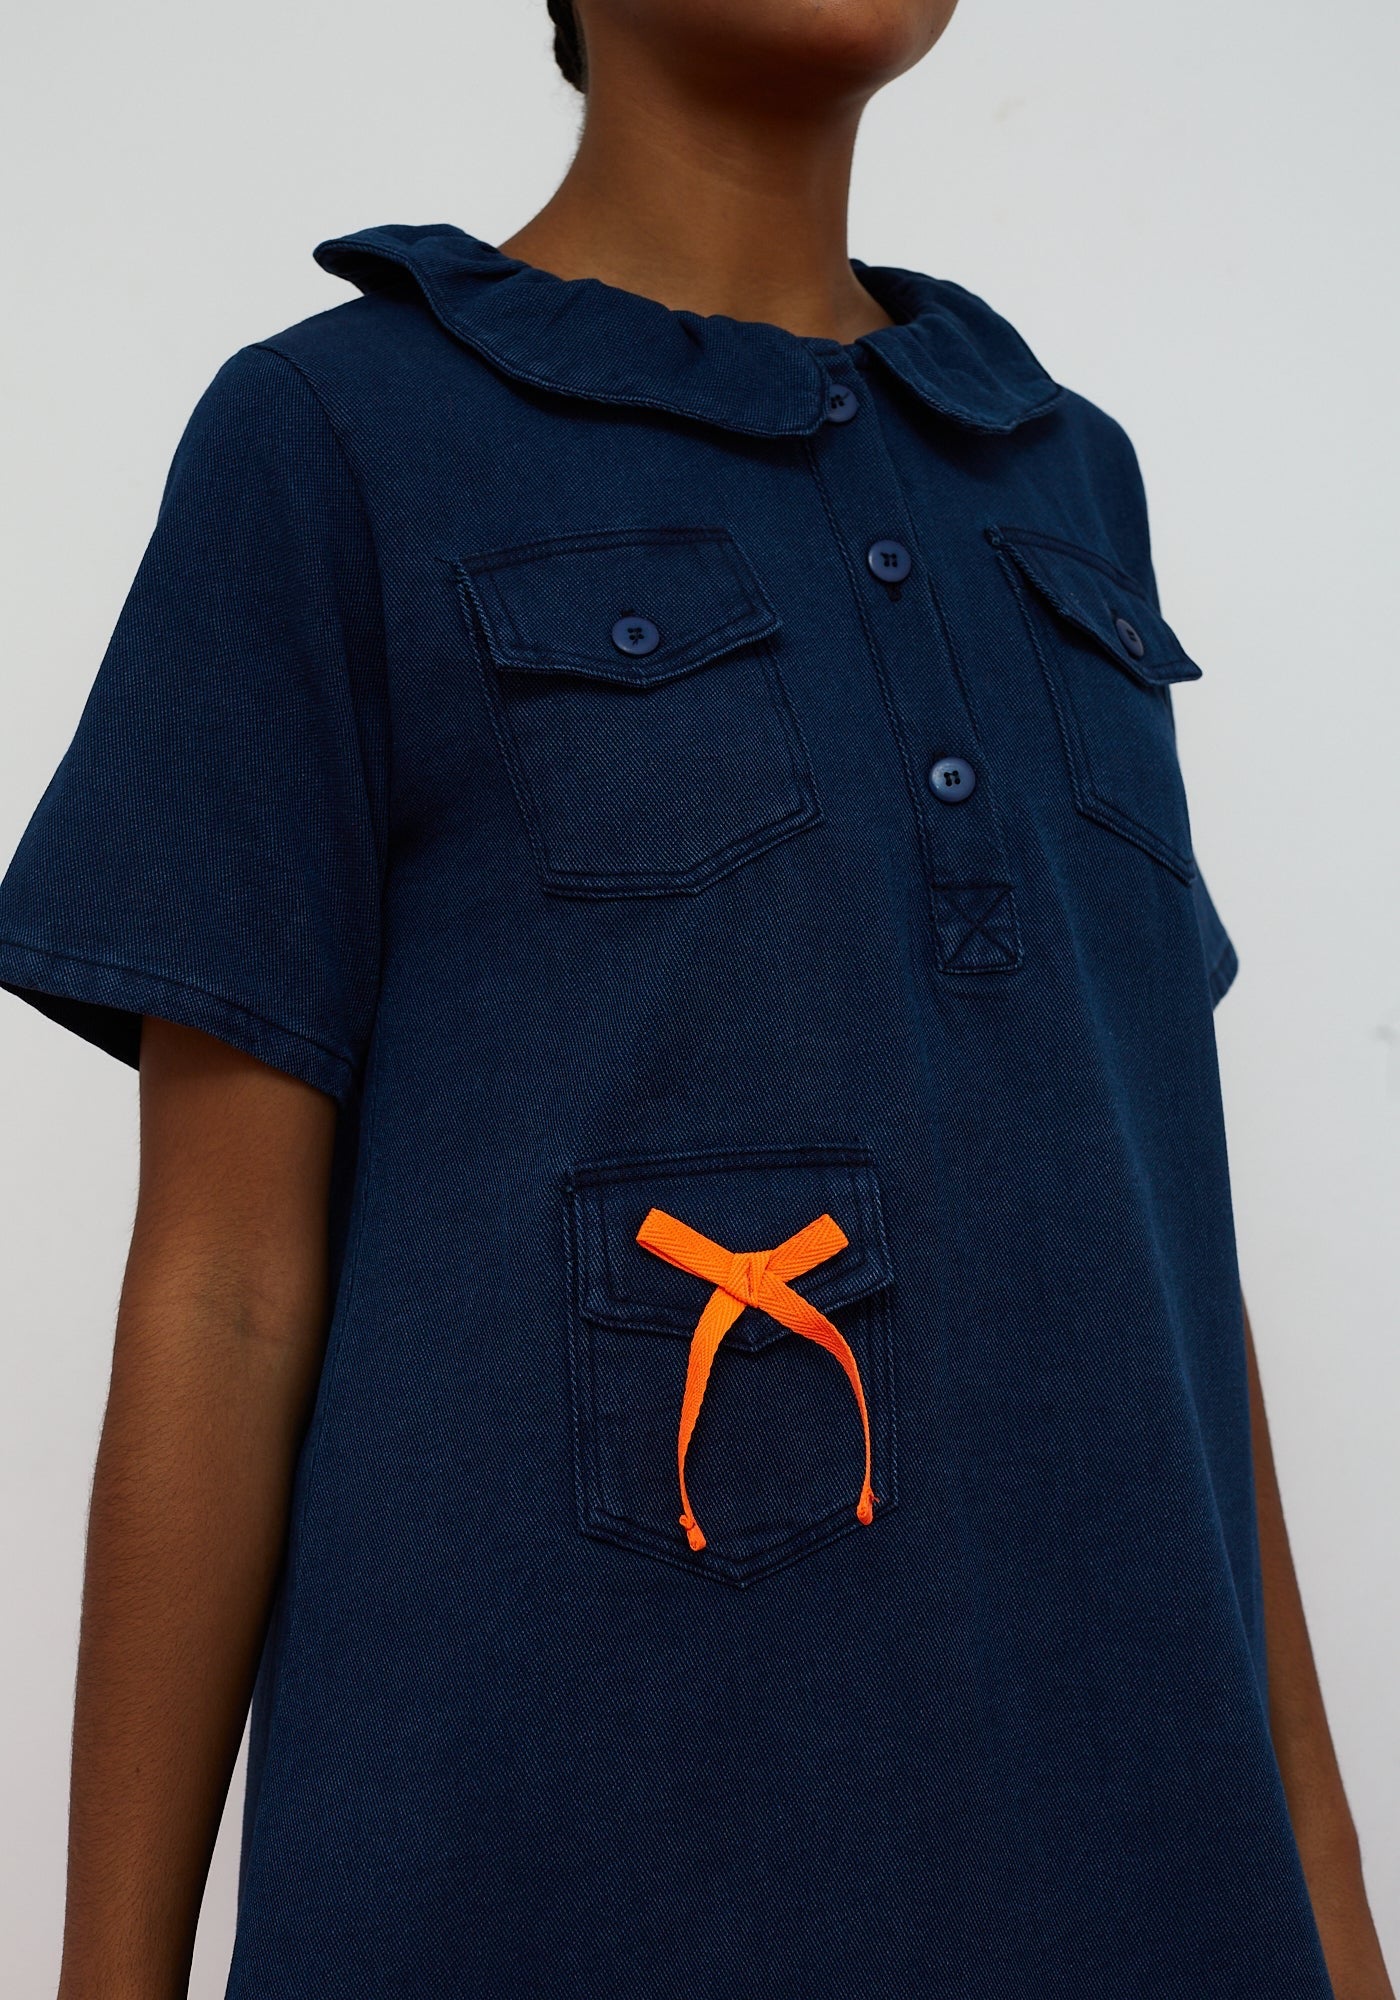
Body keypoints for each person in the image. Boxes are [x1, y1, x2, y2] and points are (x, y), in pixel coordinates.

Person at [0, 1, 1390, 1994]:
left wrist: (1331, 1909)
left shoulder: (1070, 483)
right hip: (559, 1892)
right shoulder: (335, 441)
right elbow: (222, 1290)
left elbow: (1166, 1243)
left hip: (1142, 1899)